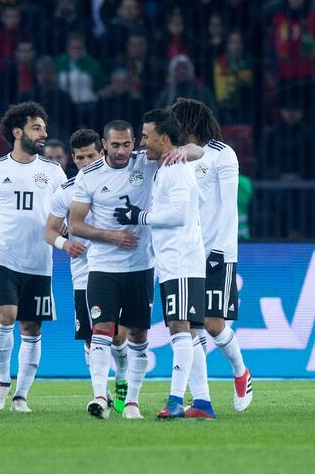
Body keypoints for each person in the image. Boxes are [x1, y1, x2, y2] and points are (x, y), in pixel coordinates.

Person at [70, 119, 202, 420]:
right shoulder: (88, 176)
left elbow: (199, 151)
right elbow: (76, 224)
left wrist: (182, 151)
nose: (122, 151)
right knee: (102, 329)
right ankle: (100, 398)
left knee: (139, 335)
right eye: (115, 145)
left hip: (141, 266)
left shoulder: (147, 162)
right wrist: (111, 236)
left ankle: (131, 402)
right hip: (102, 265)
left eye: (127, 144)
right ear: (104, 144)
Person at [113, 109, 214, 419]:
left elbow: (180, 216)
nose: (142, 142)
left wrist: (138, 217)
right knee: (192, 331)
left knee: (179, 327)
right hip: (174, 261)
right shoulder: (163, 168)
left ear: (165, 139)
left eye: (146, 136)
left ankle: (174, 400)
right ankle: (202, 402)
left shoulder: (177, 170)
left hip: (181, 261)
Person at [0, 101, 67, 413]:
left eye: (43, 127)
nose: (44, 134)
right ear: (17, 132)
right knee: (6, 315)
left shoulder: (53, 171)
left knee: (32, 328)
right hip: (3, 257)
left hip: (39, 261)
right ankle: (1, 381)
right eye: (36, 128)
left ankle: (21, 395)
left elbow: (68, 210)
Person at [172, 97, 252, 412]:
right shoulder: (175, 158)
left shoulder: (223, 155)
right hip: (186, 253)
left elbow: (229, 206)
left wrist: (220, 248)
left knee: (213, 323)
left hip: (218, 251)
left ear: (190, 122)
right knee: (189, 324)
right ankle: (200, 397)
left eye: (178, 122)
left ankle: (240, 372)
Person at [44, 129, 130, 414]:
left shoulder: (121, 180)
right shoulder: (66, 192)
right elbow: (49, 230)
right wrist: (64, 243)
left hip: (119, 269)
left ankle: (121, 379)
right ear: (73, 159)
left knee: (119, 337)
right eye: (80, 158)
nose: (85, 162)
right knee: (93, 336)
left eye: (91, 155)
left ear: (102, 152)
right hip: (84, 274)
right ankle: (101, 395)